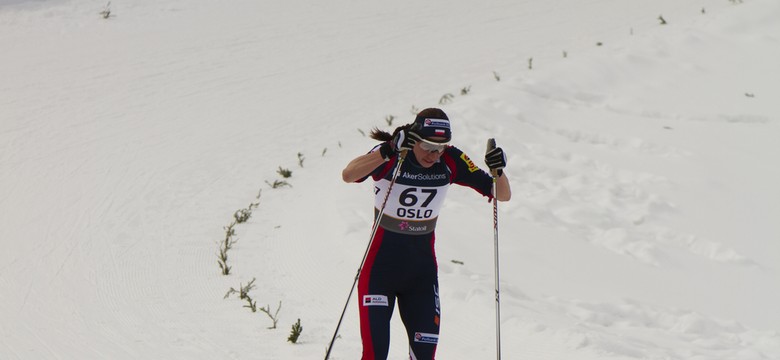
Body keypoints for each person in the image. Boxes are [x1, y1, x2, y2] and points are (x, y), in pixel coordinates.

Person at [341, 108, 511, 359]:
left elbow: (501, 194)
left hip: (421, 276)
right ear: (414, 138)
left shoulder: (451, 160)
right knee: (375, 354)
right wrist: (387, 150)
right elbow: (349, 174)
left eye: (441, 148)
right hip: (379, 271)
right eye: (428, 146)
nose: (434, 155)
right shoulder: (395, 153)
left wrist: (499, 171)